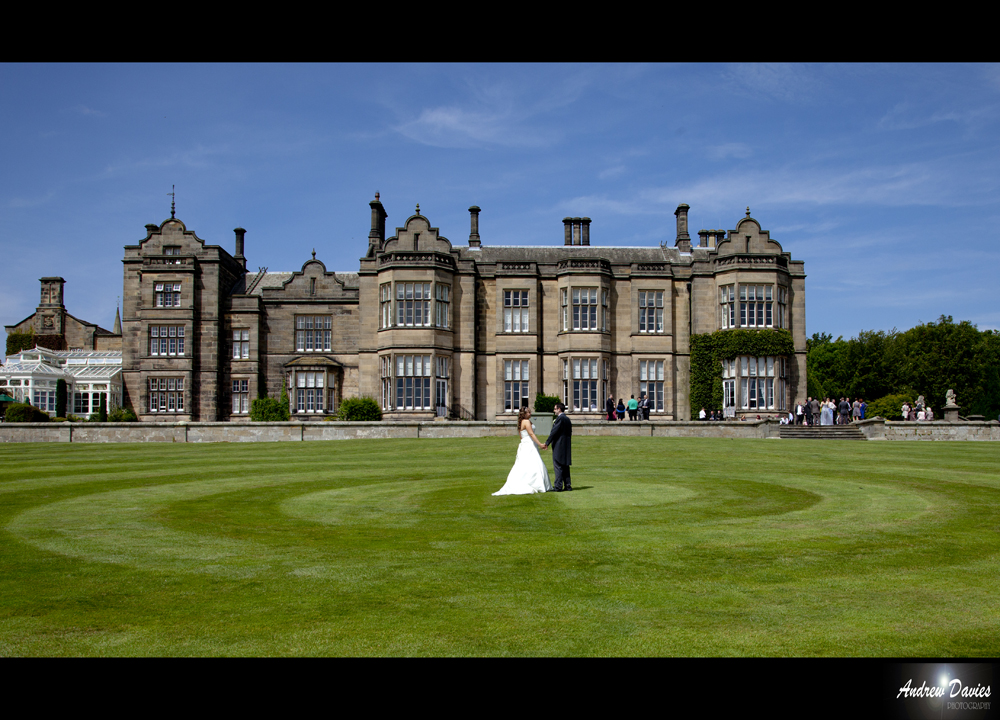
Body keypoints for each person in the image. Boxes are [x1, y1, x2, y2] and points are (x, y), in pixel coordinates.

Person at [493, 406, 551, 496]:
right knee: (533, 464)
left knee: (527, 464)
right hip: (529, 445)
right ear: (524, 414)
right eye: (529, 412)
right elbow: (531, 433)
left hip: (525, 444)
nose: (530, 414)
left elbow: (521, 436)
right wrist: (540, 444)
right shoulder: (526, 421)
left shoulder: (522, 422)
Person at [543, 402, 572, 492]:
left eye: (555, 409)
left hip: (559, 445)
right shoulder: (567, 419)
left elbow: (554, 432)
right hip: (566, 445)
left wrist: (547, 442)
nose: (554, 410)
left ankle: (558, 486)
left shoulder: (560, 419)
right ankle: (567, 485)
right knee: (565, 466)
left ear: (559, 409)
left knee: (558, 465)